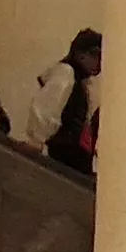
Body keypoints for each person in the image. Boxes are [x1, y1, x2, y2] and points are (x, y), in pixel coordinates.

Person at [25, 29, 101, 171]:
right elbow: (47, 109)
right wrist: (37, 139)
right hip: (61, 154)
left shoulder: (83, 83)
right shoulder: (66, 73)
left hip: (73, 156)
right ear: (82, 54)